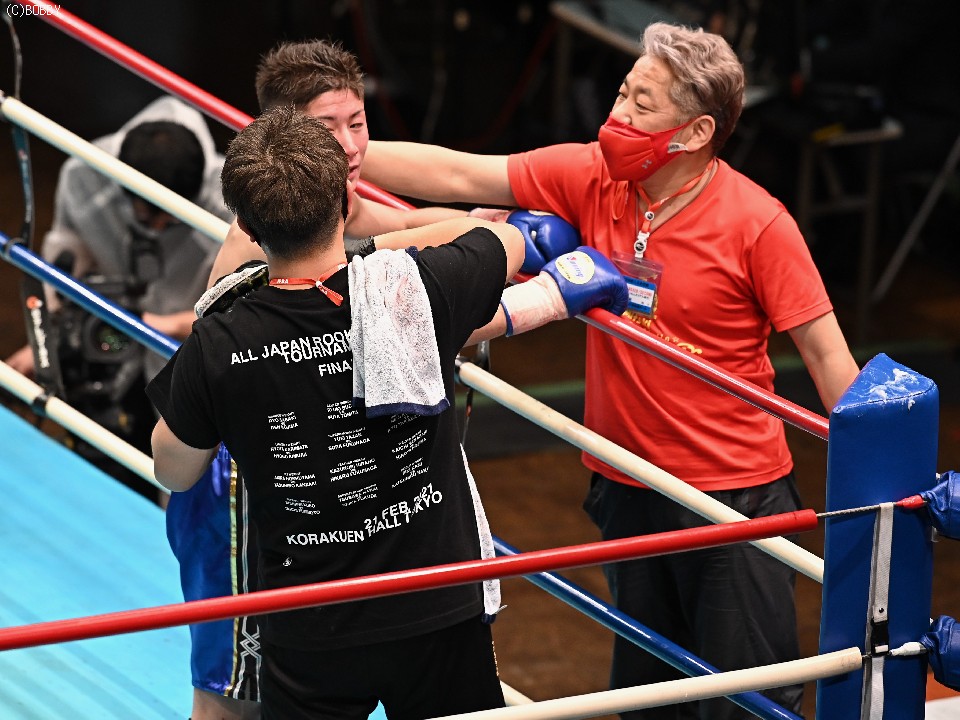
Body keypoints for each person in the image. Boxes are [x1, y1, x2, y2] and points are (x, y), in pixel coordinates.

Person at [360, 22, 861, 719]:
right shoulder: (596, 174)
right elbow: (460, 173)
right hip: (627, 485)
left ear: (695, 132)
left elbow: (829, 356)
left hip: (733, 499)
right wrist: (337, 151)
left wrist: (891, 494)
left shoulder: (759, 224)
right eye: (623, 92)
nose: (617, 115)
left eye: (641, 104)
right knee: (650, 693)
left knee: (748, 703)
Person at [147, 104, 627, 719]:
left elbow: (174, 469)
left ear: (244, 222)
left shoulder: (220, 340)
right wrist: (538, 284)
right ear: (343, 203)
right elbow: (513, 242)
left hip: (309, 618)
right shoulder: (415, 287)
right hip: (434, 604)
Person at [4, 96, 231, 495]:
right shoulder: (85, 176)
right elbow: (64, 260)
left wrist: (162, 326)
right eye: (148, 217)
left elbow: (240, 308)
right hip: (103, 330)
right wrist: (44, 341)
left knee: (189, 473)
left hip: (188, 345)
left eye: (170, 222)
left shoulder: (231, 204)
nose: (157, 230)